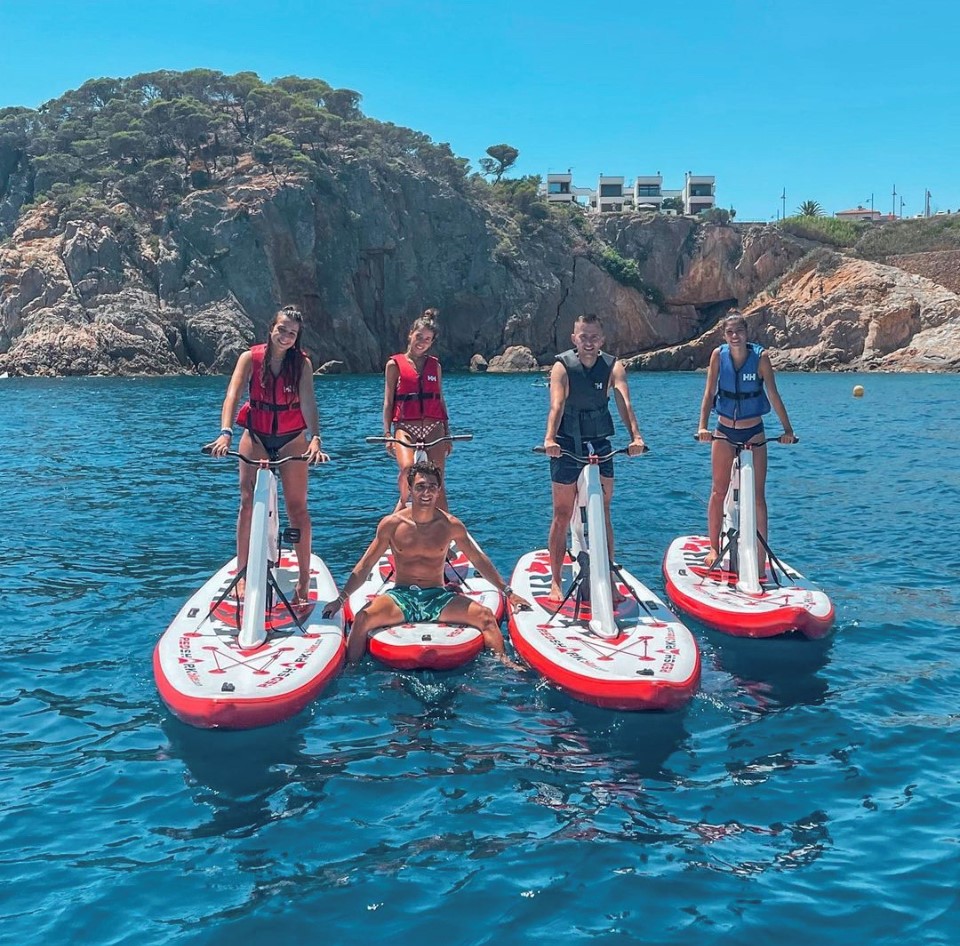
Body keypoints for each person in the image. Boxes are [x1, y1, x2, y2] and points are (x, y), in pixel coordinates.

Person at [322, 461, 528, 670]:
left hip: (438, 597)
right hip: (401, 597)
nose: (426, 493)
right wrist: (340, 600)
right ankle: (352, 669)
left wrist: (508, 592)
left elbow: (479, 560)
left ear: (439, 490)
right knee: (362, 619)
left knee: (486, 617)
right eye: (420, 487)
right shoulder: (392, 524)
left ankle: (504, 664)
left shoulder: (450, 525)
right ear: (410, 489)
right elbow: (366, 565)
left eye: (432, 487)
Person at [206, 305, 328, 604]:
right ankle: (243, 573)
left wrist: (315, 439)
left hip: (291, 439)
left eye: (292, 333)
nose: (286, 336)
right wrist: (225, 433)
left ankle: (303, 579)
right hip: (256, 435)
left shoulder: (302, 364)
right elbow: (232, 395)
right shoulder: (250, 358)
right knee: (247, 503)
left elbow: (308, 402)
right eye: (281, 329)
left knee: (297, 509)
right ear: (271, 328)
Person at [543, 313, 647, 602]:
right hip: (566, 445)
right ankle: (555, 580)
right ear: (574, 339)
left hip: (600, 444)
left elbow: (625, 402)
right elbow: (557, 405)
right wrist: (550, 439)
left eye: (594, 337)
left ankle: (609, 577)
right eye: (583, 337)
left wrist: (636, 437)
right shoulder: (562, 367)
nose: (588, 342)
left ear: (602, 340)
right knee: (562, 513)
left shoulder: (613, 366)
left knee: (603, 511)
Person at [696, 311, 797, 568]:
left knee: (757, 497)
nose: (735, 336)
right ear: (724, 335)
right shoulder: (718, 356)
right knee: (718, 490)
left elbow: (773, 394)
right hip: (724, 432)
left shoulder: (761, 358)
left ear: (747, 333)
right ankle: (713, 547)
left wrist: (788, 430)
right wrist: (702, 427)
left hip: (753, 431)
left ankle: (761, 558)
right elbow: (709, 393)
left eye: (739, 331)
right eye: (730, 332)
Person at [382, 309, 452, 510]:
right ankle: (402, 509)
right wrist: (387, 434)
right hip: (406, 428)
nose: (422, 342)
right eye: (419, 336)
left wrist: (447, 433)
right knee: (407, 469)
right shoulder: (394, 365)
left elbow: (440, 400)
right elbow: (388, 402)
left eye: (427, 339)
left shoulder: (435, 366)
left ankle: (445, 526)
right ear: (410, 334)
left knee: (437, 481)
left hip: (434, 428)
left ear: (432, 342)